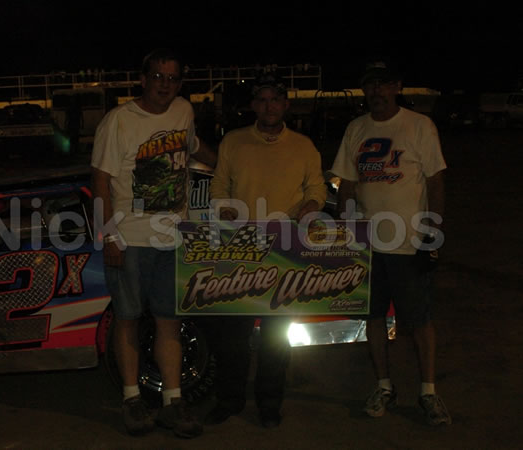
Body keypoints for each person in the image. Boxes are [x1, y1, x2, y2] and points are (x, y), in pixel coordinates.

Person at [90, 48, 216, 438]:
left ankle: (172, 402)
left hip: (173, 237)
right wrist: (109, 235)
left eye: (173, 78)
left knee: (169, 321)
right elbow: (100, 181)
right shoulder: (118, 121)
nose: (165, 85)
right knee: (127, 319)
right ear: (143, 79)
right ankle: (131, 399)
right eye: (158, 77)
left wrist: (232, 163)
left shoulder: (183, 111)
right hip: (129, 237)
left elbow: (194, 149)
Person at [330, 61, 451, 426]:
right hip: (368, 245)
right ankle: (384, 386)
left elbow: (435, 181)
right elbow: (346, 185)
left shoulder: (419, 126)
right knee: (374, 317)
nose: (377, 91)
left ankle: (428, 392)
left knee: (419, 320)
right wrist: (345, 235)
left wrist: (432, 233)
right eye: (371, 85)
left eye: (384, 84)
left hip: (408, 244)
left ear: (397, 86)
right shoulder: (356, 128)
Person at [205, 72, 327, 428]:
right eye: (262, 99)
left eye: (275, 99)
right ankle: (229, 400)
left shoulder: (303, 146)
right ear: (253, 105)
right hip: (241, 249)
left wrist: (311, 206)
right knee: (232, 336)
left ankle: (269, 404)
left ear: (286, 105)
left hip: (285, 248)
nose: (269, 106)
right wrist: (225, 209)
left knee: (276, 337)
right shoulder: (234, 141)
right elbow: (219, 186)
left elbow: (316, 187)